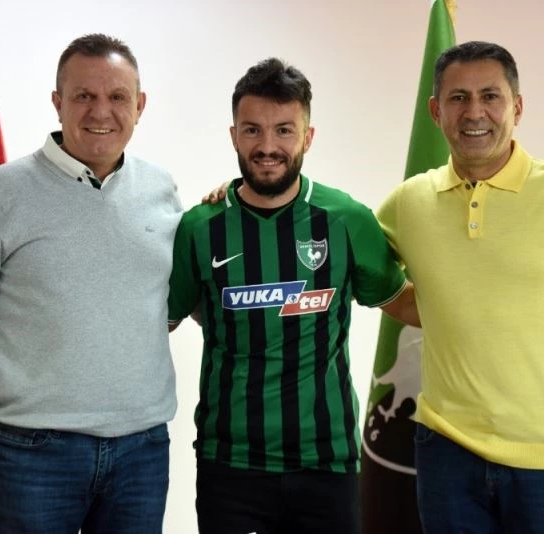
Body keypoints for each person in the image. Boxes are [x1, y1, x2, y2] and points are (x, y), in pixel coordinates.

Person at [0, 33, 181, 533]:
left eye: (117, 96)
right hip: (33, 454)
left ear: (140, 105)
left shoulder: (162, 189)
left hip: (142, 451)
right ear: (57, 102)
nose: (100, 111)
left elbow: (175, 296)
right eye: (84, 95)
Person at [377, 41, 544, 532]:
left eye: (490, 96)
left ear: (517, 107)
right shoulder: (410, 202)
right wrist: (233, 199)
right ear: (435, 111)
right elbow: (345, 249)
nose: (474, 112)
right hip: (446, 455)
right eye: (457, 98)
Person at [167, 58, 418, 534]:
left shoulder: (346, 219)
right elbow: (169, 316)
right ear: (234, 135)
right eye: (252, 130)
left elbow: (401, 302)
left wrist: (493, 309)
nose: (267, 146)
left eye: (284, 130)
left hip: (327, 462)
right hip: (230, 465)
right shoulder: (200, 228)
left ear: (308, 136)